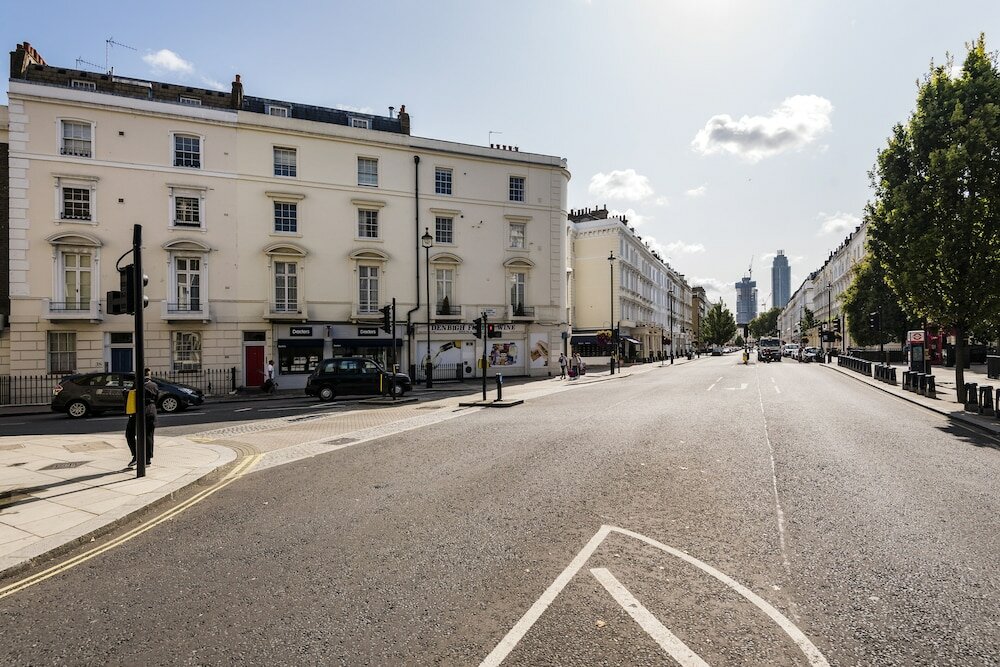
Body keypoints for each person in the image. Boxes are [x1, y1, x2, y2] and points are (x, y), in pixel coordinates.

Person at [142, 368, 157, 465]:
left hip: (142, 410)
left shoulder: (139, 384)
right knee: (150, 434)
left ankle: (140, 455)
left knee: (141, 434)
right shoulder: (154, 385)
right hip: (152, 410)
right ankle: (148, 457)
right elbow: (157, 397)